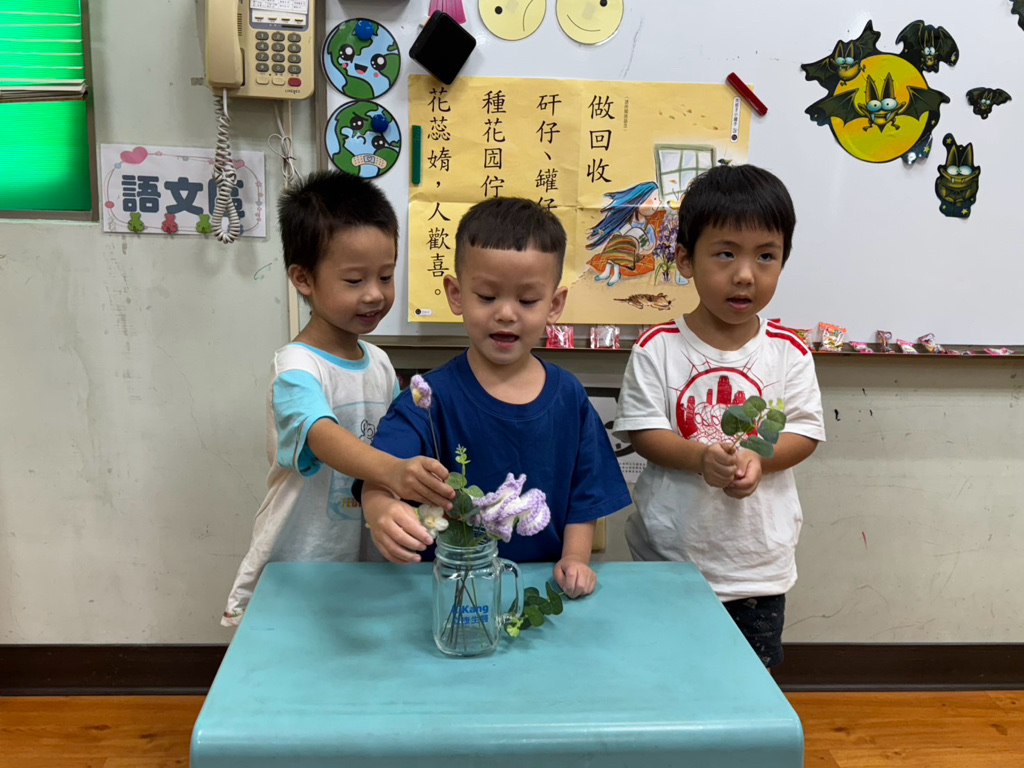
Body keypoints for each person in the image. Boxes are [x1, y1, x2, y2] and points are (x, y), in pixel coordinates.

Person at [359, 197, 632, 598]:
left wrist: (575, 559)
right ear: (456, 295)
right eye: (487, 296)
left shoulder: (568, 396)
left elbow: (586, 494)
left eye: (527, 300)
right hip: (451, 591)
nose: (506, 313)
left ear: (554, 305)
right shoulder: (428, 398)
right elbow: (379, 471)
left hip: (542, 588)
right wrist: (379, 505)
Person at [612, 164, 826, 668]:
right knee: (667, 674)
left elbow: (805, 431)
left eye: (766, 256)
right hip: (670, 558)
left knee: (749, 683)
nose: (745, 274)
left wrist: (758, 459)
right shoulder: (657, 347)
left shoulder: (790, 351)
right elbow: (644, 432)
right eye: (726, 253)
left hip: (757, 568)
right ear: (686, 259)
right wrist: (700, 458)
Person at [221, 171, 454, 627]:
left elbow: (398, 437)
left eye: (385, 276)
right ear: (303, 279)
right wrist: (394, 471)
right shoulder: (296, 367)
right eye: (354, 280)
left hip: (364, 554)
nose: (375, 294)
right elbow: (322, 435)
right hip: (304, 555)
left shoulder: (380, 363)